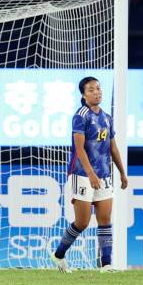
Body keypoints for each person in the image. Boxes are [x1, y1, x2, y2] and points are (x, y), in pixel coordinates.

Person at [51, 77, 128, 273]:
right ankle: (59, 255)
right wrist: (91, 174)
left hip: (104, 175)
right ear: (84, 95)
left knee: (104, 219)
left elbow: (113, 148)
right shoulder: (81, 115)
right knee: (82, 222)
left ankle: (107, 264)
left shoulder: (107, 118)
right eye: (92, 89)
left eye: (98, 88)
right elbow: (79, 148)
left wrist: (122, 172)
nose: (97, 92)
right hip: (82, 175)